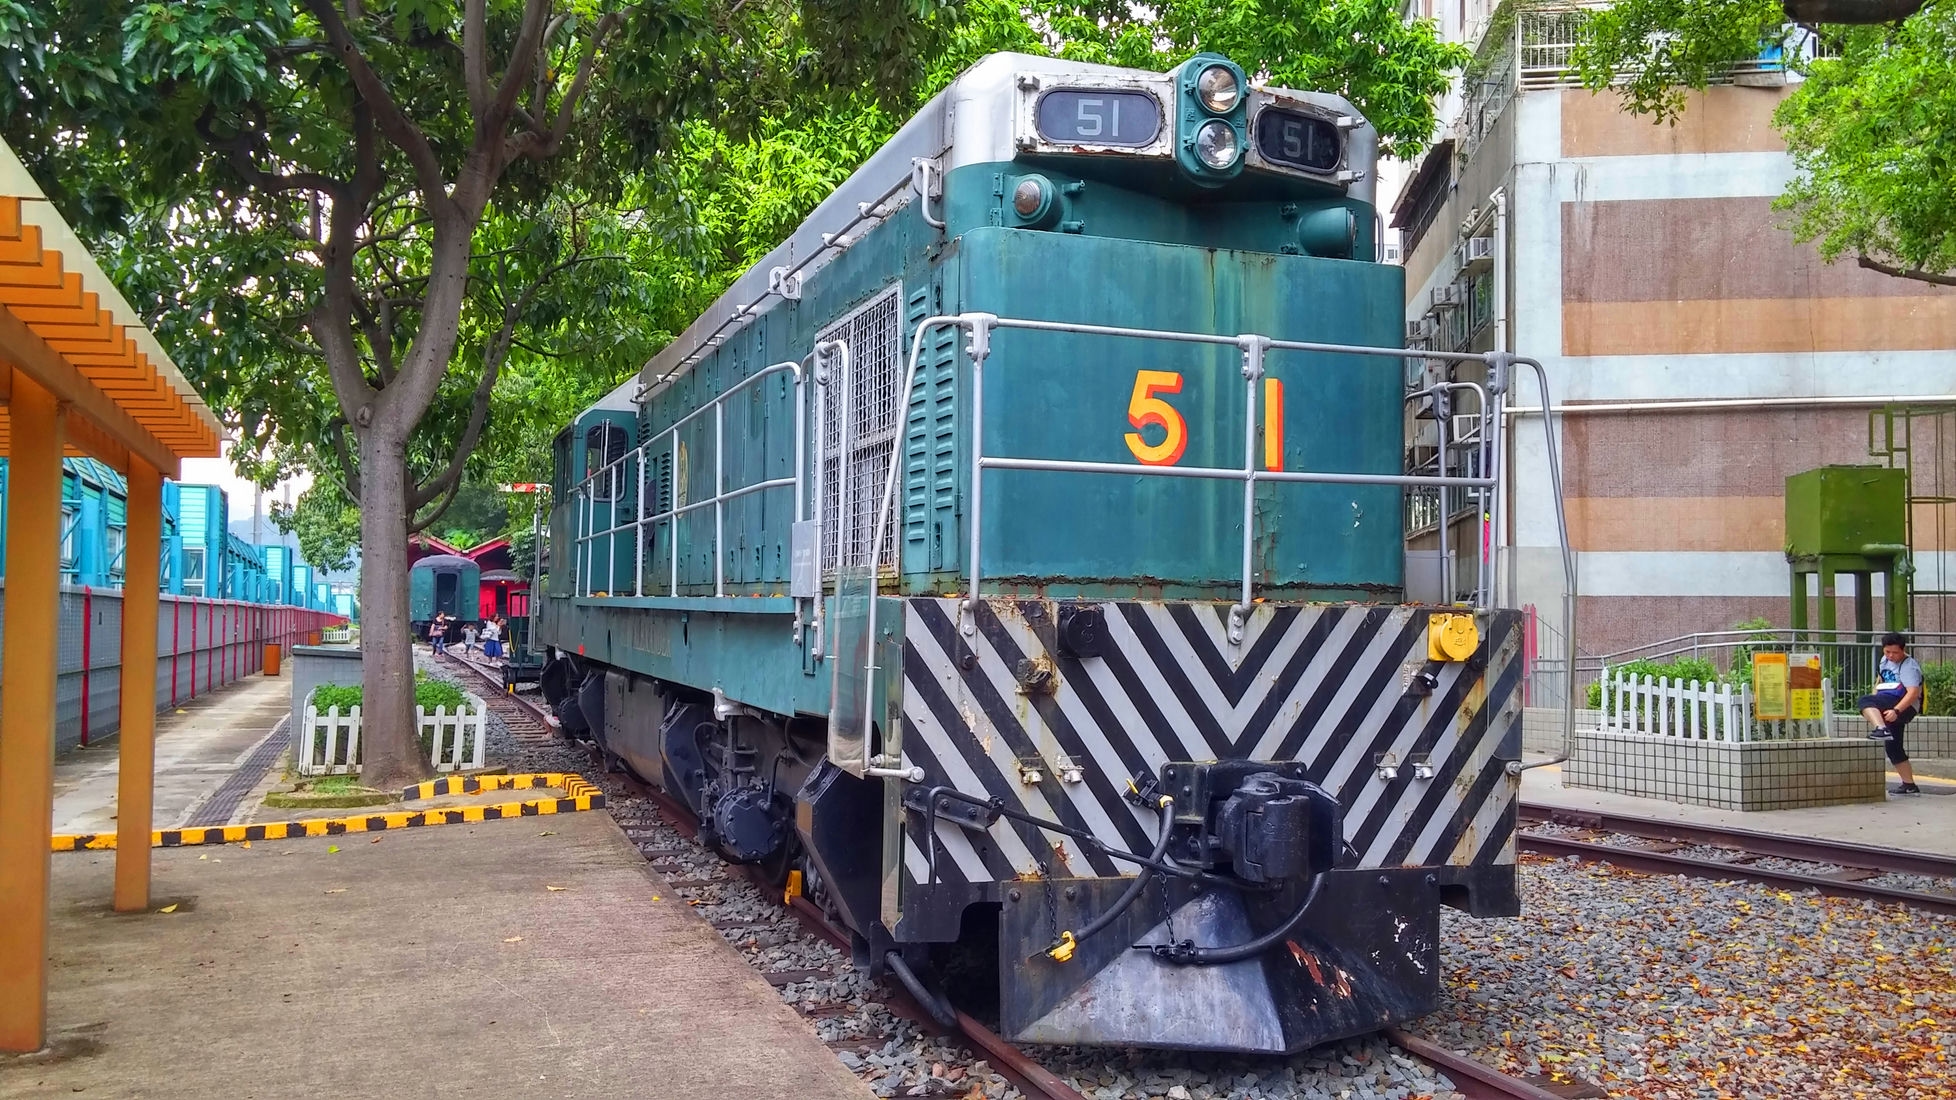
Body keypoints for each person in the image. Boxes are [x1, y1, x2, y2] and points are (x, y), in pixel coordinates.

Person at [1862, 631, 1922, 795]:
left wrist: (1896, 711)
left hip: (1904, 705)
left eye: (1895, 652)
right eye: (1887, 651)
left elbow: (1913, 693)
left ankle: (1881, 729)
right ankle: (1909, 785)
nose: (1890, 656)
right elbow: (1880, 682)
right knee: (1893, 746)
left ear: (1903, 650)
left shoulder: (1909, 666)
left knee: (1864, 701)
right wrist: (1876, 703)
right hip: (1887, 702)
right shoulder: (1884, 661)